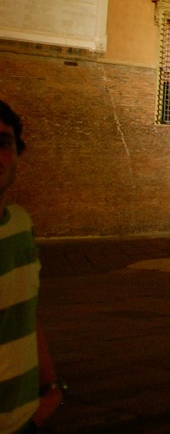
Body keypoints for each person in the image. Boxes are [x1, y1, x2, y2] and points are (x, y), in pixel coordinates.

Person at [0, 101, 62, 431]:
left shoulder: (20, 225)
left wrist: (50, 388)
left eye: (3, 143)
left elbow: (26, 313)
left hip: (26, 420)